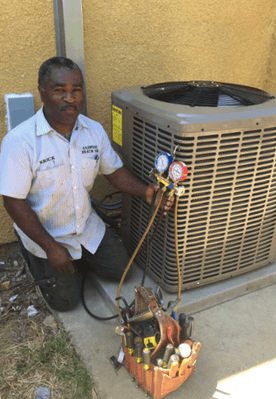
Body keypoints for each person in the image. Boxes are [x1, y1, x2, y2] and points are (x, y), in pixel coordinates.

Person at [0, 57, 173, 312]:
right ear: (42, 92)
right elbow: (13, 202)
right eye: (60, 90)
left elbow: (114, 172)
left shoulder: (93, 131)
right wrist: (50, 247)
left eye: (76, 89)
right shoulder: (20, 142)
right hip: (47, 233)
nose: (70, 98)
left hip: (86, 229)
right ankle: (40, 257)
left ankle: (74, 262)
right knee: (66, 302)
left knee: (121, 271)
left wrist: (145, 191)